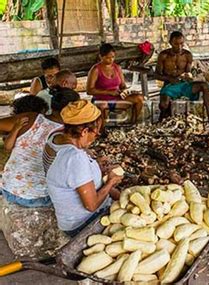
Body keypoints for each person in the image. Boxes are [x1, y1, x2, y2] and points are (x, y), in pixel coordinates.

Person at [45, 100, 122, 237]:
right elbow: (91, 206)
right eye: (96, 133)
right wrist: (111, 182)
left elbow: (68, 174)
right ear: (84, 131)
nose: (95, 138)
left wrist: (96, 167)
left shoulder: (55, 137)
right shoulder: (75, 157)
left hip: (67, 218)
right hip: (82, 223)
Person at [0, 87, 80, 207]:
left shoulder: (30, 117)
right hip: (37, 197)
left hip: (7, 187)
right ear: (72, 110)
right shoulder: (68, 134)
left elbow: (6, 142)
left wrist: (16, 130)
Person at [156, 31, 209, 123]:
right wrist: (170, 79)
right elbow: (157, 74)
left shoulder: (187, 55)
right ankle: (162, 118)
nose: (179, 47)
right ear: (170, 43)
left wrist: (189, 76)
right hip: (170, 86)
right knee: (164, 104)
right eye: (176, 44)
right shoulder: (163, 55)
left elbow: (188, 72)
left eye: (181, 44)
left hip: (185, 85)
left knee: (205, 85)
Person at [87, 43, 144, 124]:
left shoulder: (117, 68)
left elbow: (123, 86)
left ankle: (132, 123)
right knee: (103, 105)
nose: (111, 60)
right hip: (100, 100)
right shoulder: (95, 69)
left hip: (116, 100)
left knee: (139, 98)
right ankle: (102, 131)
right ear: (101, 56)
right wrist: (108, 92)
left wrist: (127, 91)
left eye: (113, 57)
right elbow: (89, 90)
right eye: (107, 58)